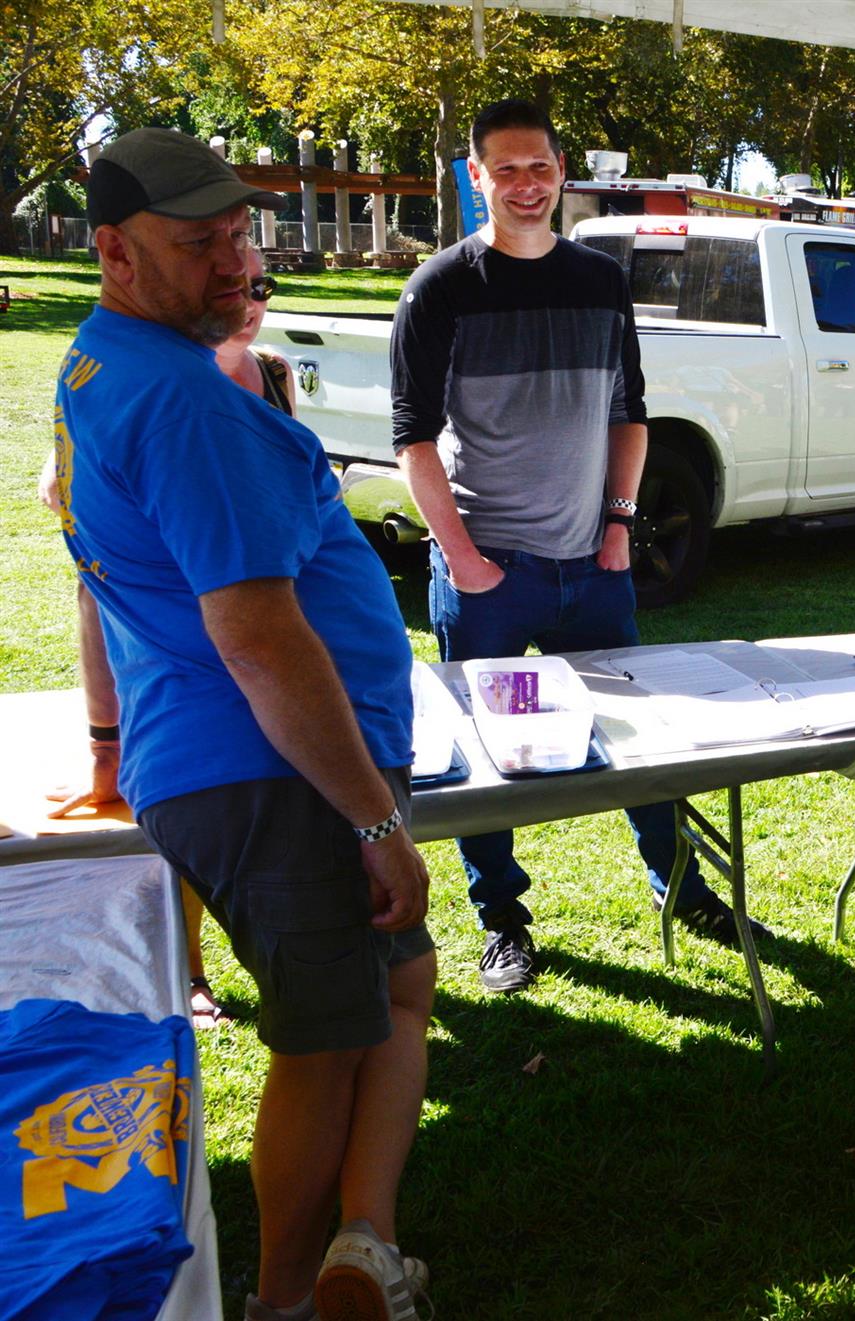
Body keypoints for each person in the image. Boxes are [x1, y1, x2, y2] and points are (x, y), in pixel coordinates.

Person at [61, 127, 434, 1321]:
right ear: (115, 254)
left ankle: (363, 1246)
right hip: (276, 770)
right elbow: (260, 638)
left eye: (238, 233)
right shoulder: (183, 401)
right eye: (197, 244)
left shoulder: (104, 362)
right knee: (322, 1042)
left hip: (252, 757)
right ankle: (283, 1302)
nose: (234, 261)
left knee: (397, 990)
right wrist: (371, 819)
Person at [391, 99, 760, 995]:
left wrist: (620, 525)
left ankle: (683, 889)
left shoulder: (599, 280)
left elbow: (630, 414)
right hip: (489, 578)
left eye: (540, 168)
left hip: (592, 570)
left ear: (562, 173)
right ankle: (502, 921)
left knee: (643, 740)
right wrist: (464, 560)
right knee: (484, 757)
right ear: (475, 177)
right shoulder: (441, 287)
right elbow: (413, 440)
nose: (526, 185)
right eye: (506, 170)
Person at [38, 246, 294, 1032]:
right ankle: (188, 971)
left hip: (260, 647)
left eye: (260, 285)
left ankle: (296, 964)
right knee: (187, 812)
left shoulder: (273, 375)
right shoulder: (146, 383)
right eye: (231, 283)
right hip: (174, 658)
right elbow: (92, 584)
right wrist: (103, 744)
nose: (248, 301)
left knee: (273, 825)